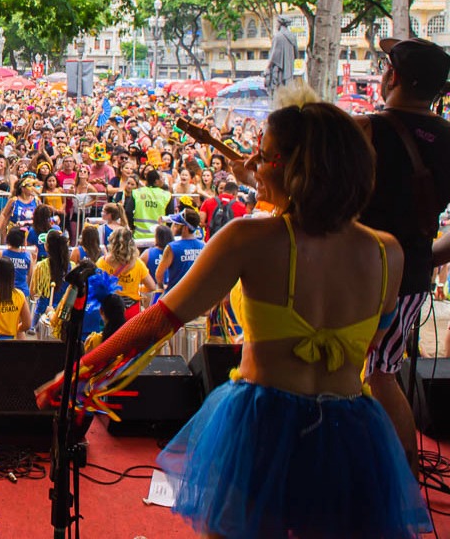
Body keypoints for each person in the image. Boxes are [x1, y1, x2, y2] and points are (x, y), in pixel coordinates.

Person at [38, 84, 430, 538]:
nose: (252, 166)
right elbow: (371, 342)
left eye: (262, 157)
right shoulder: (388, 253)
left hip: (263, 426)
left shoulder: (248, 239)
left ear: (291, 169)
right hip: (350, 429)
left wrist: (80, 372)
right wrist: (268, 179)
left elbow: (160, 320)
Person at [357, 37, 450, 471]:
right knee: (382, 372)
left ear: (391, 76)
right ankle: (404, 479)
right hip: (409, 278)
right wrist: (423, 258)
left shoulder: (365, 129)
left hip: (352, 272)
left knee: (336, 371)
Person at [96, 228, 156, 321]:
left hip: (110, 309)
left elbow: (97, 287)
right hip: (132, 310)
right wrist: (137, 288)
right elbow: (152, 286)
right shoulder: (138, 263)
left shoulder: (102, 262)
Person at [155, 209, 205, 293]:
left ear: (185, 228)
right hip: (196, 294)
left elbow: (159, 274)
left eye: (177, 224)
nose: (174, 226)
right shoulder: (203, 246)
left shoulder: (172, 247)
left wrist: (161, 286)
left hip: (175, 295)